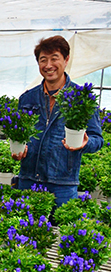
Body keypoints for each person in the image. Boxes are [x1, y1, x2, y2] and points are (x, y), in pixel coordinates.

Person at [13, 35, 103, 207]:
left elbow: (97, 139)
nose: (48, 65)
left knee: (60, 232)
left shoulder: (82, 98)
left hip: (62, 184)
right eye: (43, 60)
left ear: (66, 59)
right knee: (25, 230)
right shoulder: (27, 98)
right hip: (28, 180)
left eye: (54, 59)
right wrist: (19, 150)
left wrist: (85, 143)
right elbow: (20, 135)